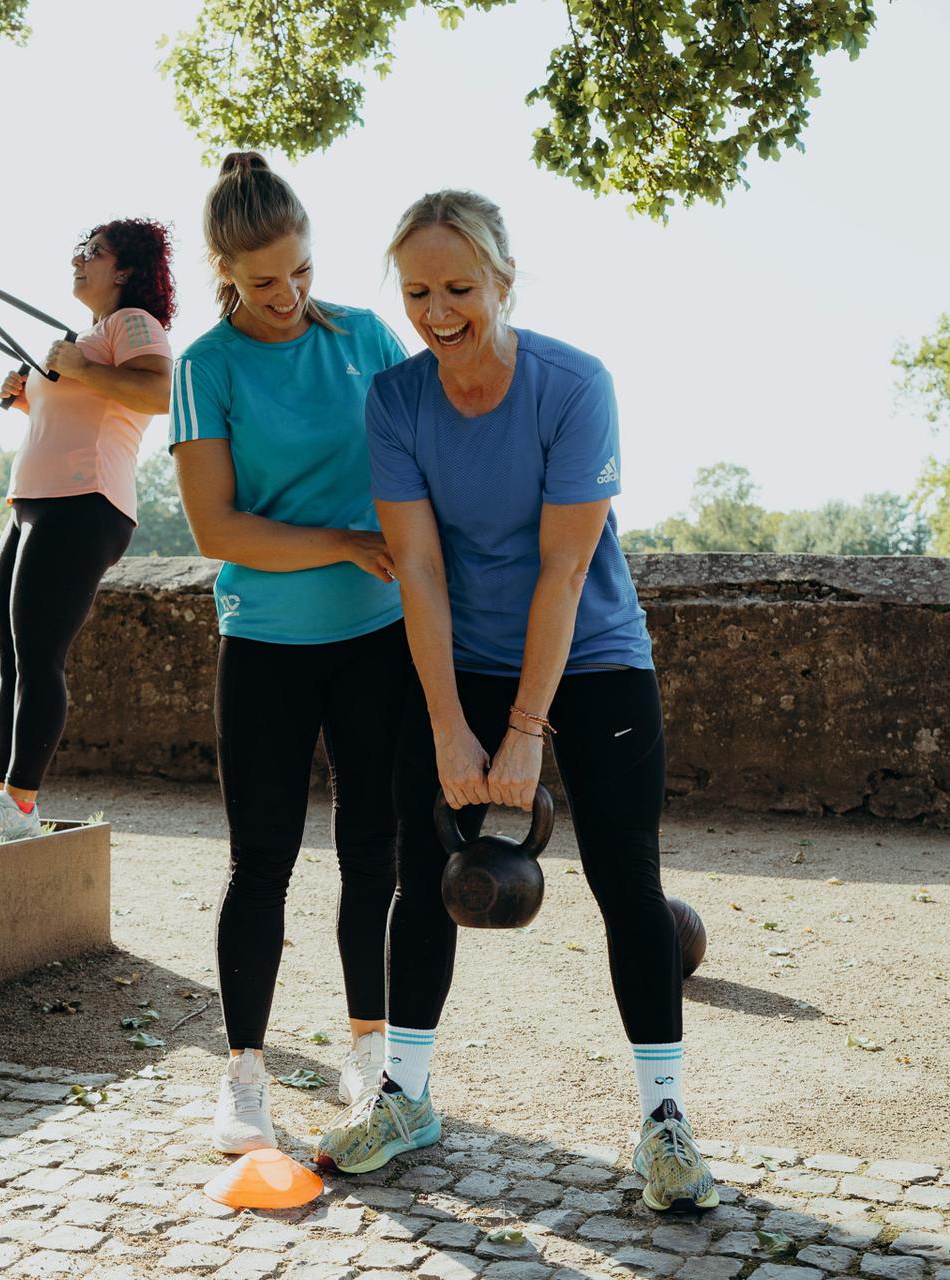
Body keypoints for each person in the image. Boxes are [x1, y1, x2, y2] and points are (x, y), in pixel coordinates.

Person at [313, 189, 718, 1213]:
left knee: (629, 881)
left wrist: (527, 729)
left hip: (595, 658)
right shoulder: (397, 399)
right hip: (464, 656)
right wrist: (449, 721)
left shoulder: (574, 384)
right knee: (423, 871)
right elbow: (418, 565)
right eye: (417, 291)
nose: (438, 309)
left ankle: (664, 1121)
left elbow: (564, 566)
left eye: (459, 287)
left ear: (503, 281)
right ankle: (406, 1096)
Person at [169, 153, 413, 1153]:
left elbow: (426, 467)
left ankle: (372, 1057)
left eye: (301, 270)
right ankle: (245, 1074)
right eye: (263, 281)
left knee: (374, 855)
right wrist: (346, 541)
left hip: (378, 641)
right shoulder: (205, 367)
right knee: (260, 859)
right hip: (265, 644)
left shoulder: (365, 338)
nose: (287, 296)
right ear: (226, 271)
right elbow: (217, 528)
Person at [0, 221, 175, 844]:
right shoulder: (89, 338)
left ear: (123, 270)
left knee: (41, 658)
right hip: (33, 504)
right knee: (13, 661)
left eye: (93, 253)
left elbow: (156, 392)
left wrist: (70, 366)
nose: (79, 259)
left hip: (84, 502)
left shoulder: (133, 324)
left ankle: (20, 804)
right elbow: (79, 409)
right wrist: (24, 395)